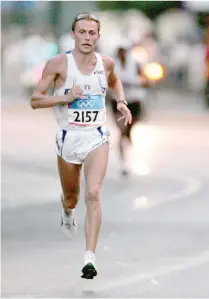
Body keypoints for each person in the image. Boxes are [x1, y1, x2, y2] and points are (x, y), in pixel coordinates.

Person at [30, 12, 132, 279]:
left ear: (98, 36)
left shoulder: (105, 63)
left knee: (94, 193)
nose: (87, 37)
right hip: (68, 137)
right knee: (73, 196)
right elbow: (35, 100)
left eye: (92, 33)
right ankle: (67, 210)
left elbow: (114, 81)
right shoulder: (58, 64)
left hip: (97, 135)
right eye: (82, 32)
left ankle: (90, 258)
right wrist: (65, 96)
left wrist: (120, 101)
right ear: (73, 35)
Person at [109, 42, 149, 176]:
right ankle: (123, 162)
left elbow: (145, 79)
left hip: (134, 100)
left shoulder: (135, 63)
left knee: (130, 126)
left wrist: (138, 83)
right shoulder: (112, 66)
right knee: (122, 130)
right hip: (118, 102)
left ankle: (128, 134)